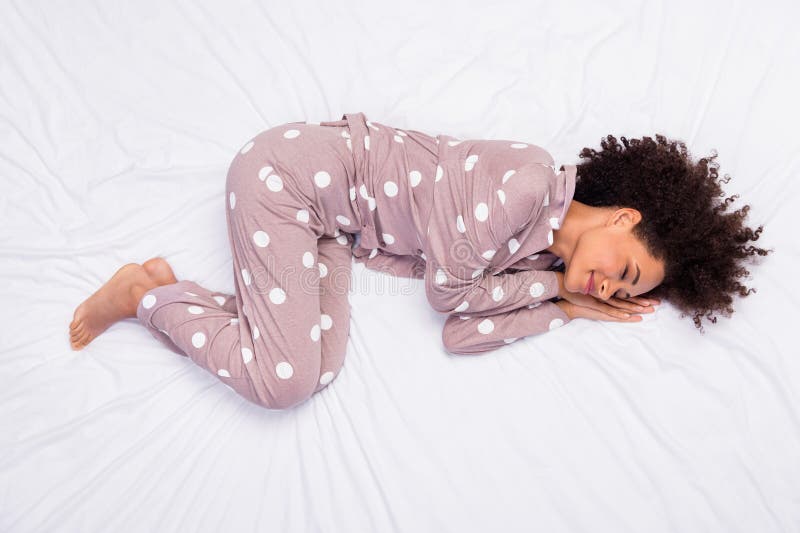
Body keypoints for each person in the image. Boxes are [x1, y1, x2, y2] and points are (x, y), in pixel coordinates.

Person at [69, 113, 771, 409]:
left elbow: (460, 333)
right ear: (625, 217)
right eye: (626, 269)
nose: (610, 284)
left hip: (332, 227)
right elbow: (446, 293)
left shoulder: (531, 253)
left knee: (318, 369)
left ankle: (170, 291)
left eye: (623, 291)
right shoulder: (529, 181)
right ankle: (140, 297)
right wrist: (554, 286)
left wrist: (562, 307)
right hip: (287, 178)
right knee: (281, 382)